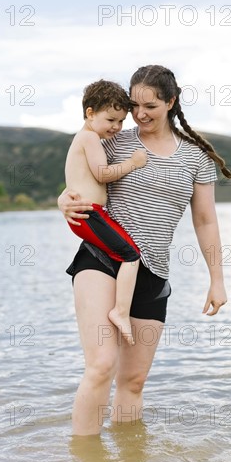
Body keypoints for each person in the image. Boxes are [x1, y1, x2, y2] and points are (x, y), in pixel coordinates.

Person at [58, 65, 231, 436]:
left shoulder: (194, 157)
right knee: (101, 366)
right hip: (102, 261)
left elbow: (205, 221)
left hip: (153, 273)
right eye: (133, 106)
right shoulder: (113, 139)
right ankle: (85, 458)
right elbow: (79, 173)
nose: (138, 115)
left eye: (149, 106)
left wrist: (217, 279)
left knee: (133, 381)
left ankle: (127, 459)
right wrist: (63, 201)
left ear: (171, 102)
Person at [64, 80, 148, 345]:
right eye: (111, 119)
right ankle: (120, 311)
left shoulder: (88, 137)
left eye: (121, 121)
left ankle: (116, 306)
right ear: (90, 113)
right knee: (131, 255)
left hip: (92, 214)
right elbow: (102, 174)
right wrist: (133, 163)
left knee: (124, 252)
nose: (116, 127)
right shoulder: (89, 137)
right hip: (89, 213)